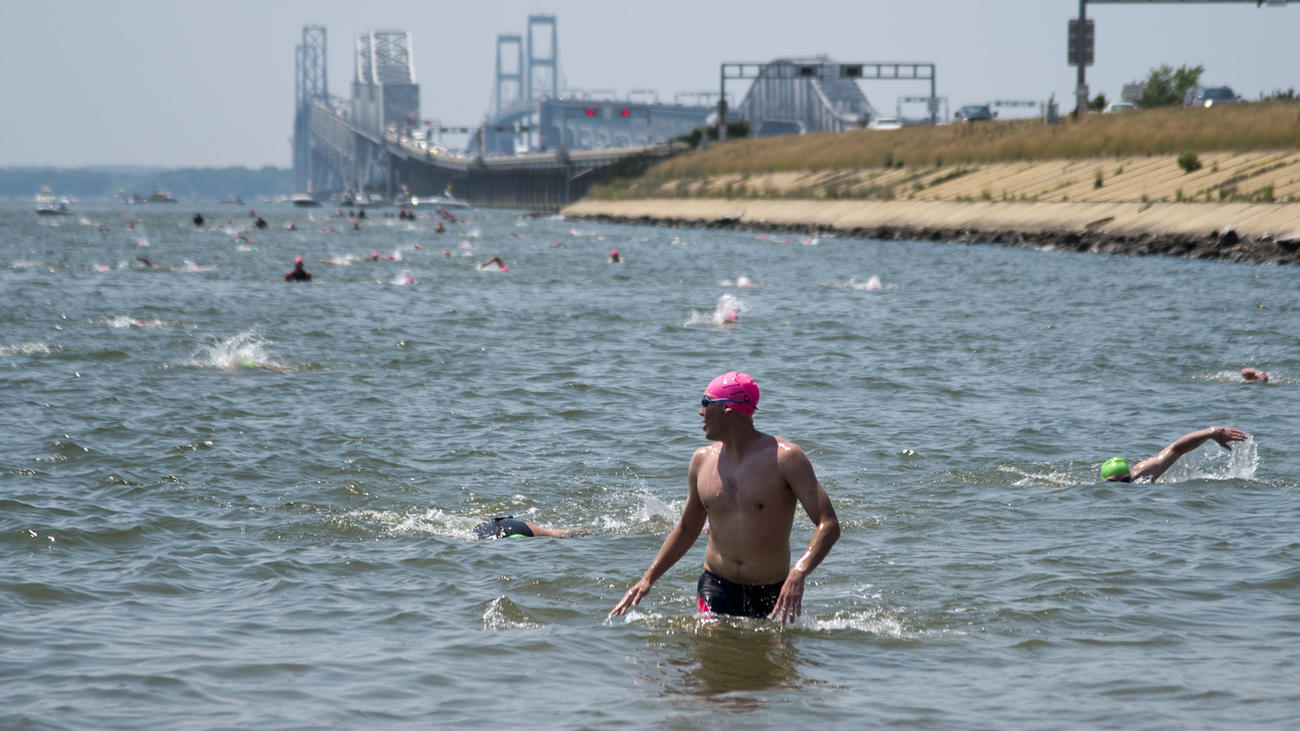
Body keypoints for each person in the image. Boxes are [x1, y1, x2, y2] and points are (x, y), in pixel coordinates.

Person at [610, 371, 840, 624]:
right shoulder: (701, 460)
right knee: (710, 648)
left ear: (728, 408)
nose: (700, 411)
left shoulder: (785, 459)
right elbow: (688, 528)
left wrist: (799, 572)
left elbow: (828, 524)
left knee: (773, 662)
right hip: (716, 584)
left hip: (773, 590)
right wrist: (648, 578)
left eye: (706, 402)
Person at [1099, 425, 1249, 483]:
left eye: (1125, 481)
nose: (1120, 487)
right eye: (1113, 483)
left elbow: (1176, 449)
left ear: (1130, 476)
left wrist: (1210, 433)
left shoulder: (1142, 475)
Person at [472, 516, 571, 540]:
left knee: (550, 534)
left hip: (486, 528)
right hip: (505, 525)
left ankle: (579, 532)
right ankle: (582, 532)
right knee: (552, 534)